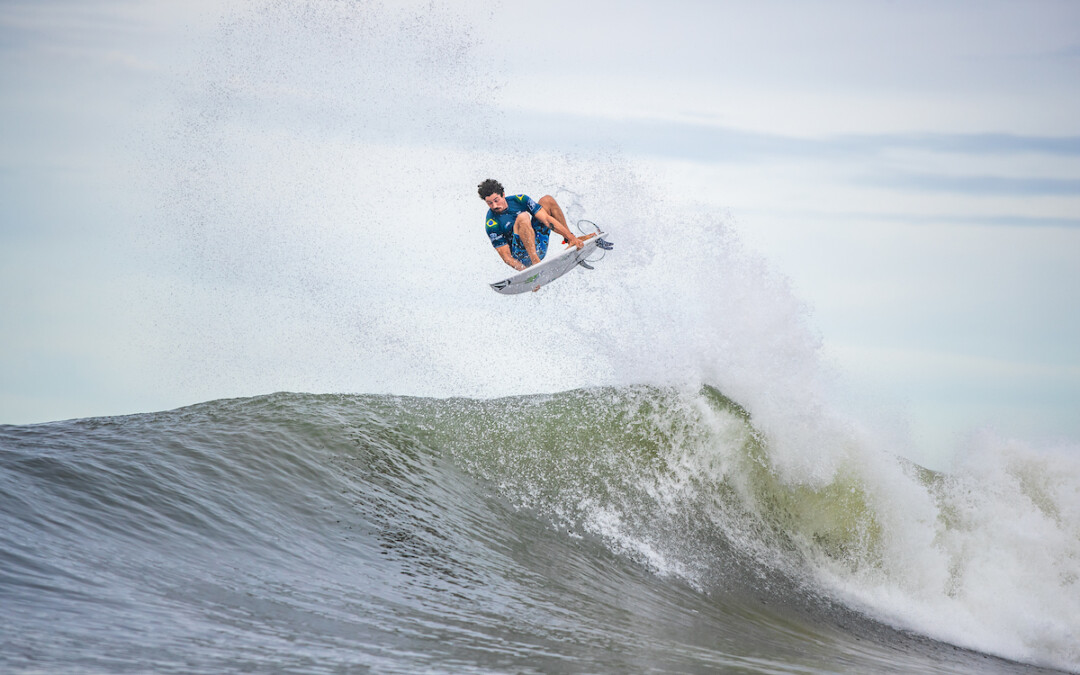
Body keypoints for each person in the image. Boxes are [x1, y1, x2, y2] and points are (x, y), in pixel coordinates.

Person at [477, 179, 584, 271]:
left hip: (539, 243)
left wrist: (571, 237)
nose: (495, 205)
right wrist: (529, 273)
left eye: (496, 200)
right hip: (523, 257)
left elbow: (546, 219)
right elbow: (507, 258)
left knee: (547, 200)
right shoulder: (492, 223)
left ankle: (571, 240)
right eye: (490, 203)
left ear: (503, 195)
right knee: (523, 217)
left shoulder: (520, 200)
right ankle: (536, 263)